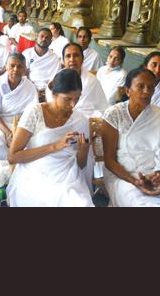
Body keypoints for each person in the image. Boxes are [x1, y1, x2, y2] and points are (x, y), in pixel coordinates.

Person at [6, 68, 95, 207]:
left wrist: (83, 150)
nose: (73, 105)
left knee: (80, 202)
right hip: (34, 172)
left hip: (67, 174)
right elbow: (13, 156)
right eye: (67, 99)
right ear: (54, 94)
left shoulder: (81, 120)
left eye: (77, 98)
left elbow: (81, 165)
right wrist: (55, 146)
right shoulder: (35, 113)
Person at [100, 68, 160, 206]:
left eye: (150, 87)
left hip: (153, 173)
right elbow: (109, 160)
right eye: (140, 86)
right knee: (140, 203)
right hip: (122, 174)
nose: (146, 91)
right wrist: (136, 182)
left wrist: (159, 174)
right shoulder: (114, 114)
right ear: (127, 91)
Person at [0, 53, 38, 187]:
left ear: (25, 69)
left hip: (23, 123)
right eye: (12, 66)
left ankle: (20, 174)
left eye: (19, 67)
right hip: (0, 123)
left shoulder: (29, 86)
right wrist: (7, 133)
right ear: (6, 67)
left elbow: (33, 112)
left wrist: (19, 131)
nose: (15, 70)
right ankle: (0, 174)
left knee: (33, 140)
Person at [46, 42, 109, 118]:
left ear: (82, 59)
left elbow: (102, 108)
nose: (72, 59)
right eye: (68, 56)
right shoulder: (56, 78)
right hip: (61, 119)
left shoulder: (91, 81)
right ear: (63, 61)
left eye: (76, 55)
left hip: (86, 120)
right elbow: (52, 103)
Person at [22, 28, 61, 93]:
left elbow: (56, 78)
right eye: (42, 36)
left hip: (48, 90)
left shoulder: (54, 58)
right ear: (37, 38)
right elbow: (24, 75)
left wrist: (47, 91)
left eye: (47, 37)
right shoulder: (27, 53)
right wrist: (33, 89)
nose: (44, 39)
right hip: (29, 88)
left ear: (51, 41)